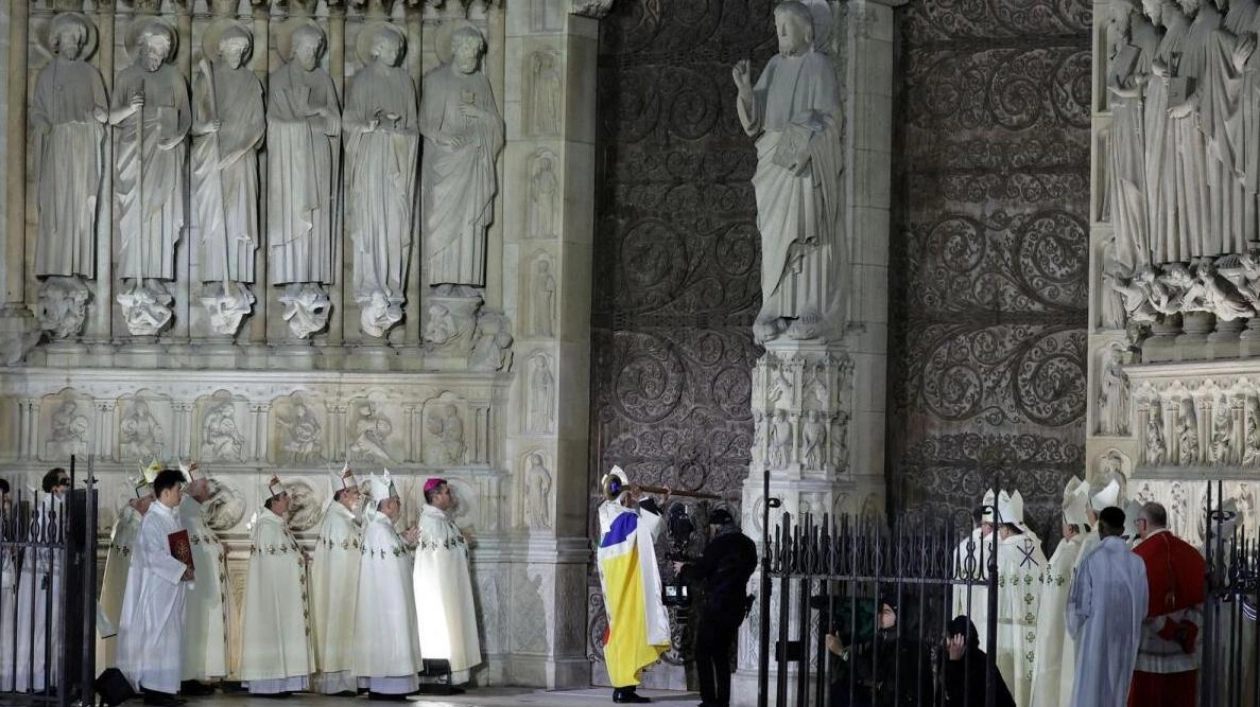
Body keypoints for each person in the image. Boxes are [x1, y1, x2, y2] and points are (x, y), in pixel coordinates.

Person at [732, 0, 843, 342]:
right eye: (777, 26)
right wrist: (747, 93)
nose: (780, 33)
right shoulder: (774, 66)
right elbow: (755, 123)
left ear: (806, 30)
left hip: (804, 161)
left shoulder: (819, 65)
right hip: (772, 163)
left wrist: (810, 137)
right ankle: (773, 305)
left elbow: (831, 117)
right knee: (774, 231)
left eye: (787, 26)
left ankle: (811, 304)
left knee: (808, 230)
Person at [116, 468, 193, 706]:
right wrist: (181, 570)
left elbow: (180, 551)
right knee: (157, 636)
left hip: (173, 587)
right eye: (179, 490)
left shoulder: (172, 516)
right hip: (158, 589)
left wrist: (187, 569)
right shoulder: (153, 519)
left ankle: (167, 688)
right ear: (167, 492)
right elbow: (153, 555)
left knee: (171, 637)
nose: (181, 494)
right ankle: (153, 690)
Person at [596, 467, 670, 704]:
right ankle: (623, 688)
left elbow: (645, 525)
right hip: (628, 584)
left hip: (618, 583)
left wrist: (657, 503)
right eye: (627, 494)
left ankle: (624, 687)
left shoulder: (609, 515)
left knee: (622, 630)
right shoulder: (623, 519)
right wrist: (646, 500)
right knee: (630, 630)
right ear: (623, 494)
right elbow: (651, 528)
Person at [671, 509, 757, 707]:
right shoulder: (748, 544)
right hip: (736, 606)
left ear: (716, 526)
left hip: (717, 606)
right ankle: (723, 701)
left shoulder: (718, 544)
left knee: (703, 652)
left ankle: (709, 700)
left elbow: (701, 572)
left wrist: (683, 568)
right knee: (721, 654)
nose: (711, 532)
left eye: (711, 528)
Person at [1065, 505, 1147, 707]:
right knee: (1119, 690)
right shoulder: (1137, 562)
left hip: (1096, 638)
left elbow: (1078, 607)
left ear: (1101, 527)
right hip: (1126, 637)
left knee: (1093, 689)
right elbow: (1143, 606)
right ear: (1121, 530)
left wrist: (1074, 628)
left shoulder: (1092, 560)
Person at [239, 476, 314, 696]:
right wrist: (299, 560)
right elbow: (275, 565)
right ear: (273, 502)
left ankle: (283, 684)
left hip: (281, 596)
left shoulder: (278, 526)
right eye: (283, 497)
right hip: (271, 599)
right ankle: (269, 684)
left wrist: (299, 558)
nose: (288, 499)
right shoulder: (267, 528)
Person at [353, 472, 423, 700]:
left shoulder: (381, 529)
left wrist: (403, 540)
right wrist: (404, 545)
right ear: (389, 505)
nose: (400, 506)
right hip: (388, 603)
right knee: (390, 638)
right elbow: (393, 565)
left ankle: (390, 687)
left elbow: (393, 556)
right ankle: (389, 688)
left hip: (385, 601)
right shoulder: (380, 530)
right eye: (398, 502)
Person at [1130, 502, 1206, 707]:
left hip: (1148, 661)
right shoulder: (1193, 555)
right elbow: (1203, 602)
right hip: (1183, 659)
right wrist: (1183, 631)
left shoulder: (1137, 558)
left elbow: (1137, 606)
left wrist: (1166, 628)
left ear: (1144, 523)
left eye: (1137, 523)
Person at [413, 478, 482, 687]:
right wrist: (462, 542)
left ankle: (453, 673)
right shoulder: (431, 522)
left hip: (448, 585)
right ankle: (439, 673)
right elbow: (440, 555)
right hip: (438, 587)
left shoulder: (442, 520)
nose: (450, 496)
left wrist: (461, 541)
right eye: (446, 492)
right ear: (435, 497)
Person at [1029, 476, 1090, 707]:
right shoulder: (1085, 548)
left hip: (1057, 630)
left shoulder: (1066, 553)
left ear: (1070, 526)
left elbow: (1053, 603)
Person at [178, 461, 235, 694]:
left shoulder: (197, 514)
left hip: (201, 588)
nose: (208, 491)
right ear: (190, 488)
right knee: (189, 631)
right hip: (190, 587)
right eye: (202, 486)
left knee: (198, 631)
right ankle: (185, 679)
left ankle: (194, 676)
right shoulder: (183, 512)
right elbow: (181, 548)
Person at [15, 468, 71, 692]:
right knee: (40, 627)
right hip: (43, 580)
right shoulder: (45, 510)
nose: (68, 486)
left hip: (55, 577)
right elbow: (40, 548)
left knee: (53, 630)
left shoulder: (58, 508)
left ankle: (49, 679)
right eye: (64, 482)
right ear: (54, 487)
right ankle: (38, 681)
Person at [824, 593, 933, 707]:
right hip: (883, 699)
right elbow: (861, 667)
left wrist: (843, 652)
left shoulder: (910, 645)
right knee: (839, 690)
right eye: (880, 612)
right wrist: (836, 652)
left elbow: (874, 672)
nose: (879, 616)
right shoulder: (884, 638)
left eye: (886, 612)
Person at [98, 465, 157, 673]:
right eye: (151, 499)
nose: (154, 503)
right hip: (129, 591)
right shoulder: (129, 524)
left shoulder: (143, 521)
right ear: (136, 502)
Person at [311, 464, 363, 695]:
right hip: (343, 590)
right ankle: (340, 682)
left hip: (344, 588)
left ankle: (345, 681)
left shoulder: (342, 518)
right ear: (343, 494)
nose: (358, 496)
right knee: (341, 626)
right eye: (355, 492)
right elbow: (349, 559)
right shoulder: (338, 521)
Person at [942, 616, 1016, 707]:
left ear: (959, 640)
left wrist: (954, 663)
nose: (947, 643)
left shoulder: (979, 664)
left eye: (949, 637)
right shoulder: (958, 661)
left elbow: (957, 698)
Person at [953, 502, 993, 652]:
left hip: (968, 608)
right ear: (986, 525)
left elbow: (956, 586)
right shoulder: (995, 547)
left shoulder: (962, 547)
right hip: (985, 607)